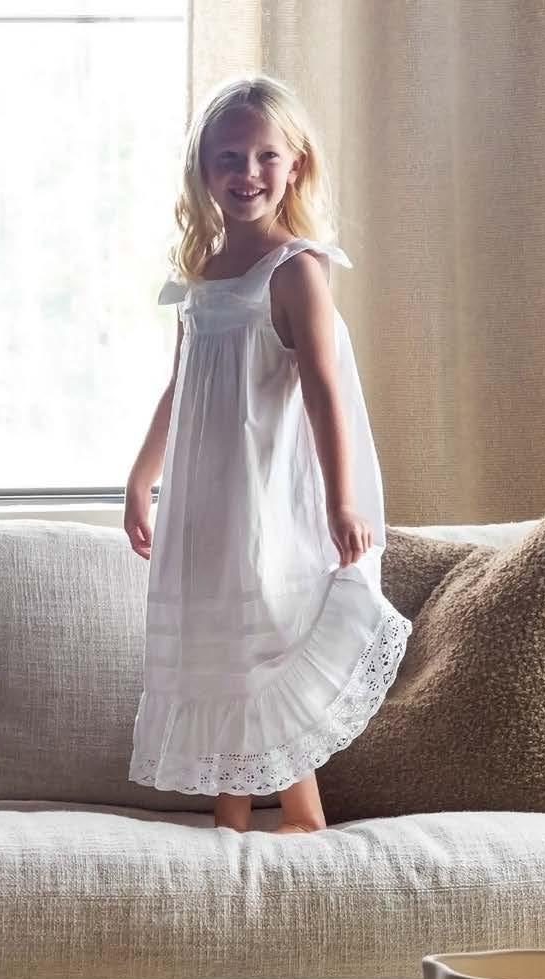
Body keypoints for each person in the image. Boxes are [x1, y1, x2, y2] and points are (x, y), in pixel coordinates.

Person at [124, 73, 410, 834]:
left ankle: (302, 813)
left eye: (264, 156)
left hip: (263, 499)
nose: (246, 172)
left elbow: (323, 388)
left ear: (295, 165)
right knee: (219, 644)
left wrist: (344, 500)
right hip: (206, 503)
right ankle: (232, 816)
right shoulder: (201, 275)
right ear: (203, 168)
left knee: (264, 645)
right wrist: (142, 477)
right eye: (228, 157)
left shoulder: (295, 271)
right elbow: (180, 384)